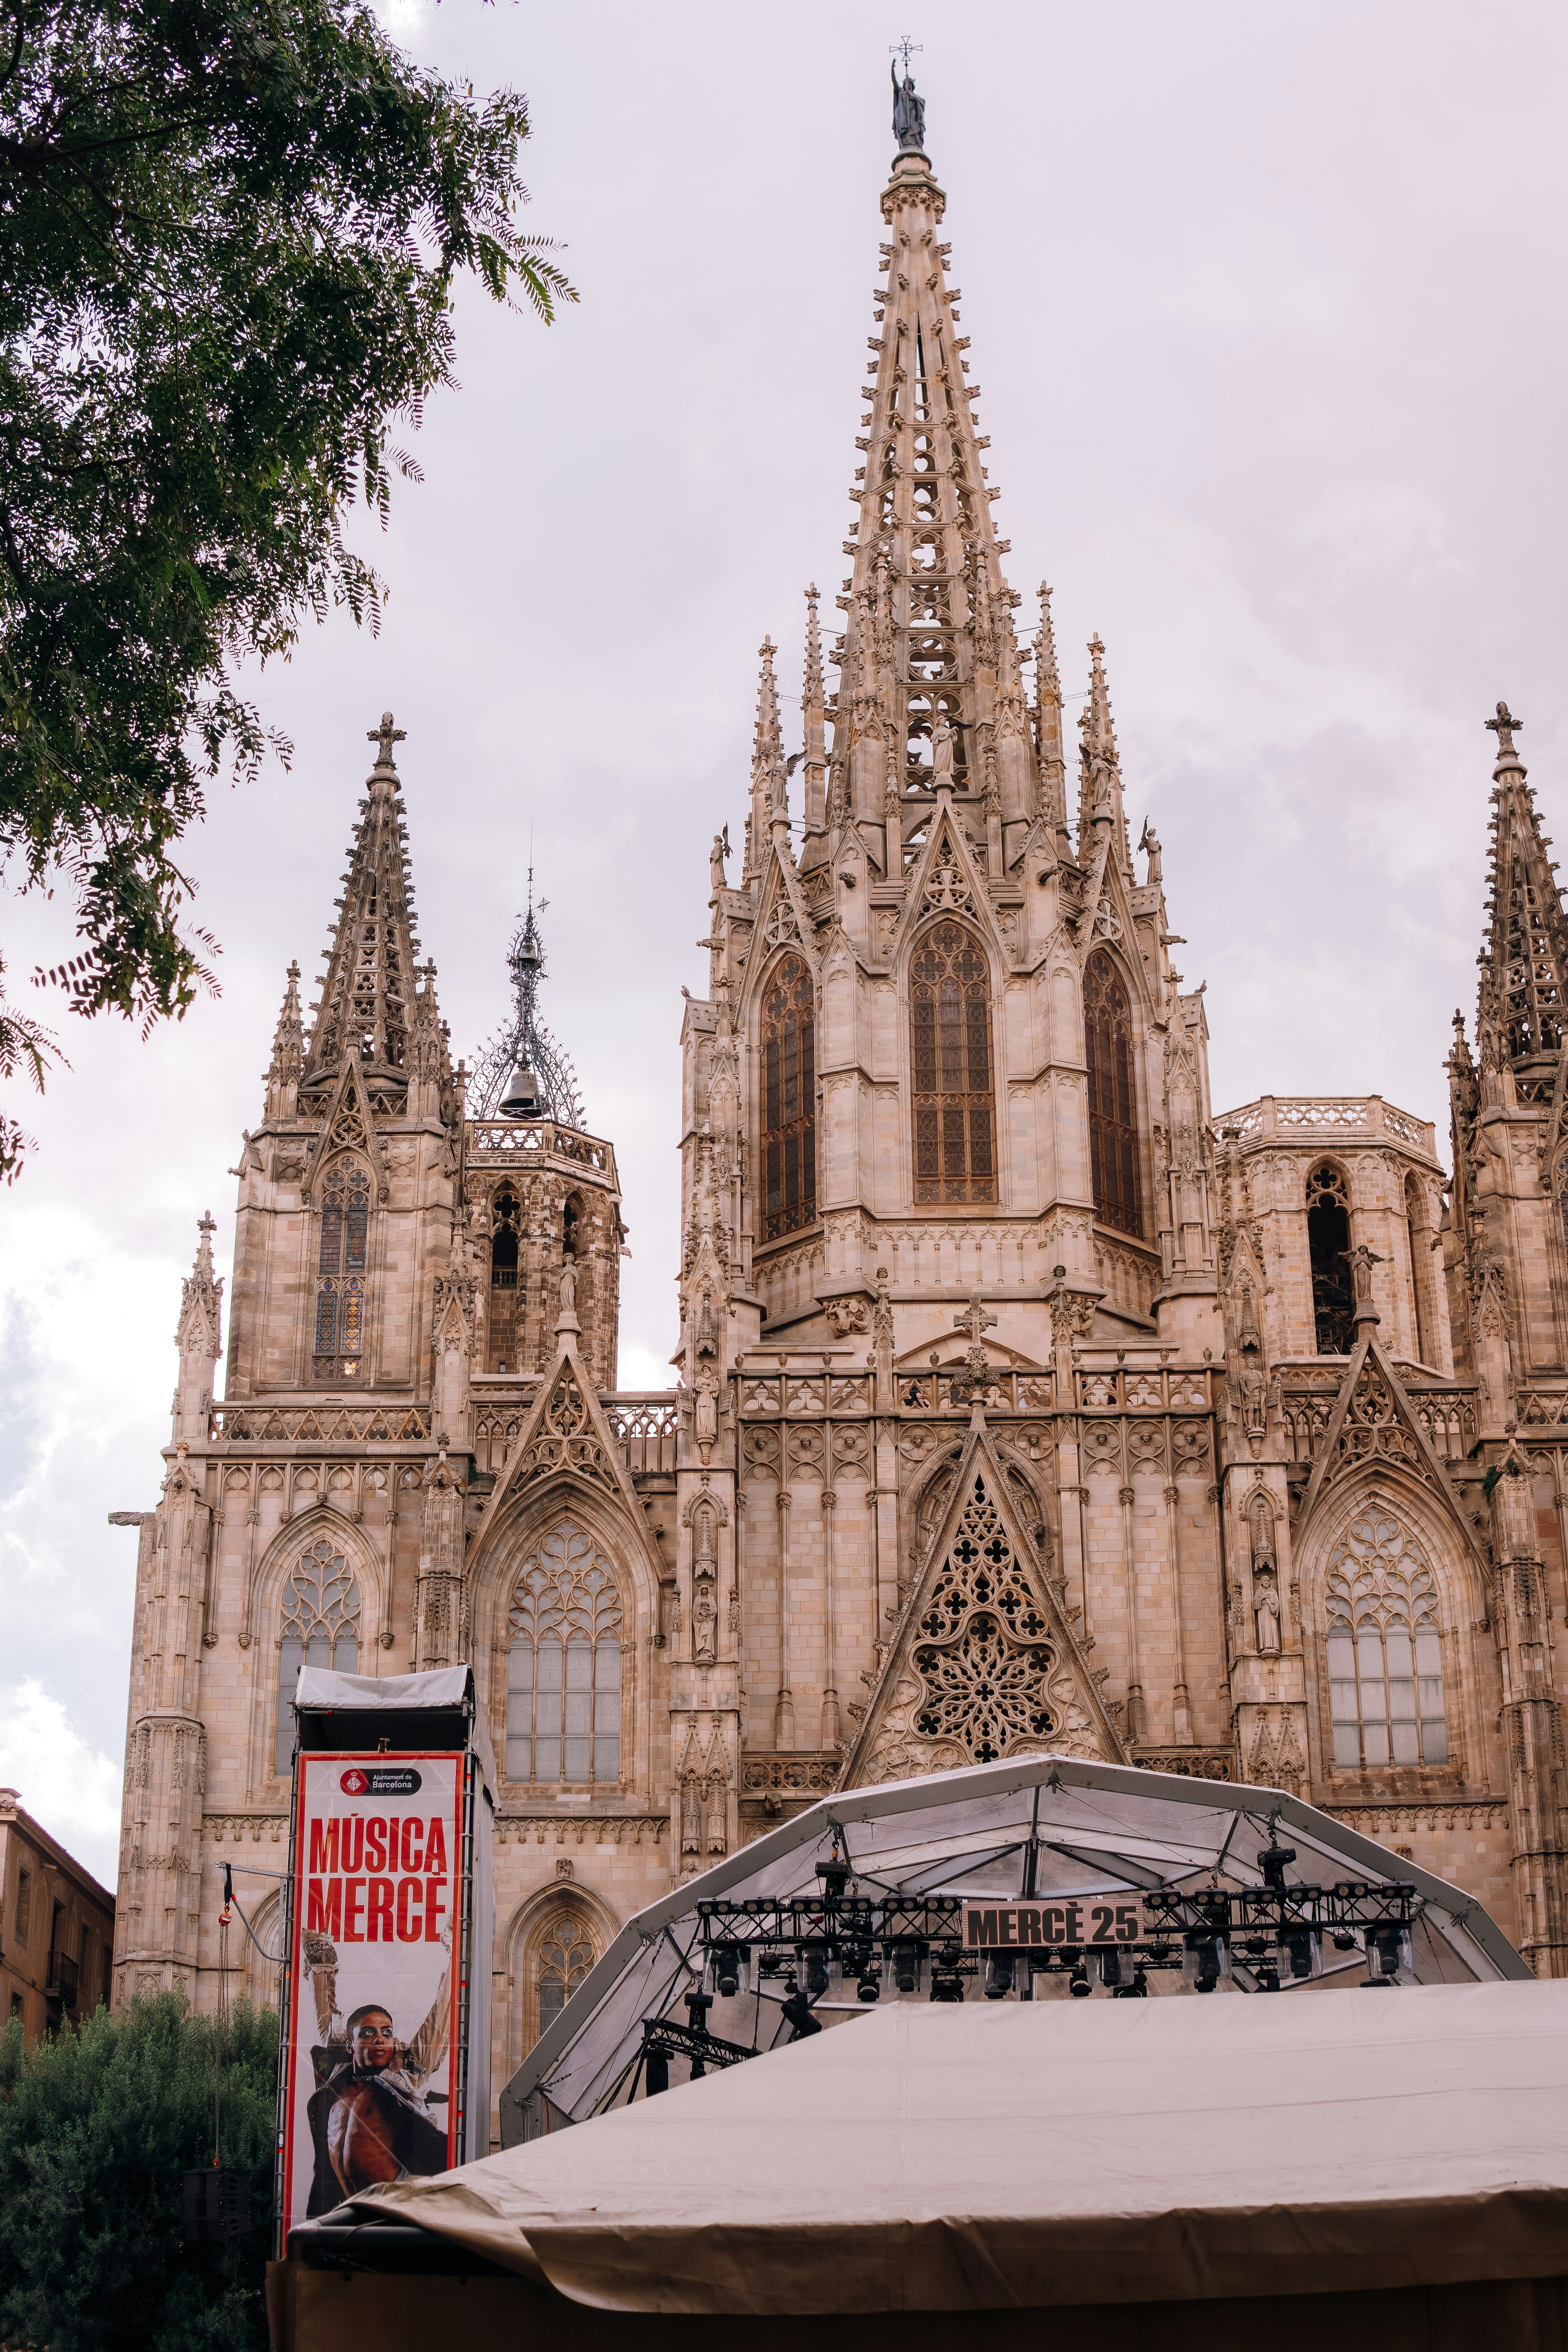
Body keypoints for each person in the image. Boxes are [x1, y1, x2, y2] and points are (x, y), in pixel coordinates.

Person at [305, 1976, 451, 2211]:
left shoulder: (406, 2073)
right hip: (357, 2215)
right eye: (367, 2033)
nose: (379, 2039)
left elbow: (440, 2015)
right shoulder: (335, 2091)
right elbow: (324, 2014)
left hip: (405, 2209)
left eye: (387, 2032)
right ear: (350, 2045)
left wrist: (459, 1962)